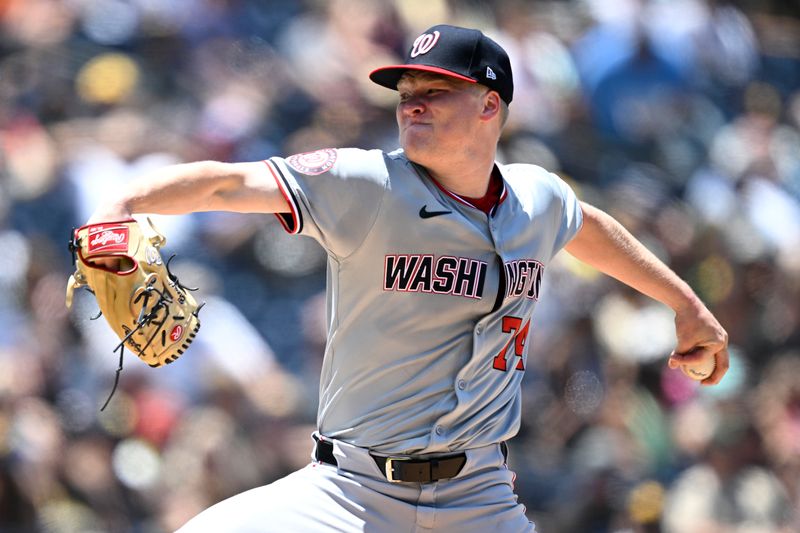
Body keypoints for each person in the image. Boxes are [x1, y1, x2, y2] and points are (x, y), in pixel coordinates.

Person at [86, 24, 729, 533]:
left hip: (478, 496)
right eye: (406, 93)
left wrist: (685, 303)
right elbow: (232, 182)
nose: (412, 105)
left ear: (490, 105)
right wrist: (124, 202)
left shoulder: (537, 199)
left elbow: (586, 225)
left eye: (434, 92)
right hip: (348, 493)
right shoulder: (365, 183)